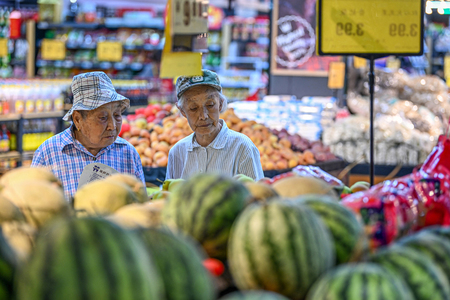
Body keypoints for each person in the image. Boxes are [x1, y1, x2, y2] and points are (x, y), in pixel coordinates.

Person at [32, 72, 145, 200]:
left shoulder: (128, 153)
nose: (112, 126)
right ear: (78, 119)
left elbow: (141, 206)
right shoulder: (48, 153)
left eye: (117, 115)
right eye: (103, 118)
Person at [166, 69, 264, 180]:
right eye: (193, 108)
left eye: (210, 105)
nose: (203, 116)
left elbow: (258, 194)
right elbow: (169, 194)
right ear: (182, 111)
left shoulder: (243, 148)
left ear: (221, 104)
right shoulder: (177, 152)